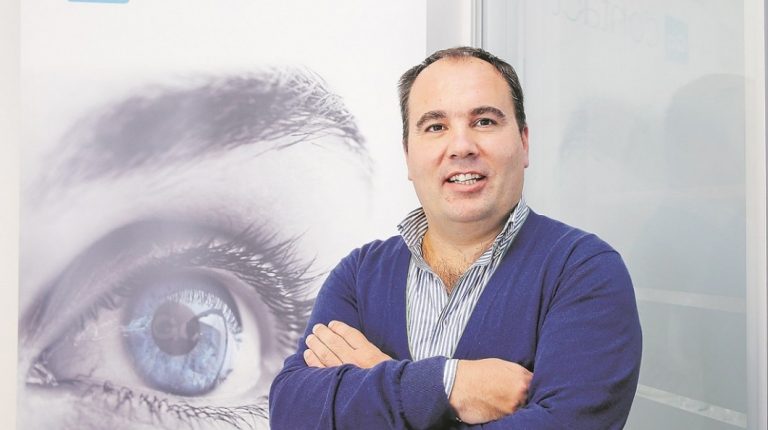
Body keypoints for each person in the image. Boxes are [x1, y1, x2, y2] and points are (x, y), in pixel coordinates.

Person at [269, 47, 642, 429]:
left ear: (524, 142)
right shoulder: (360, 275)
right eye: (435, 127)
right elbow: (292, 413)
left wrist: (377, 377)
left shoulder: (583, 272)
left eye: (484, 121)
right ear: (408, 155)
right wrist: (449, 384)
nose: (462, 146)